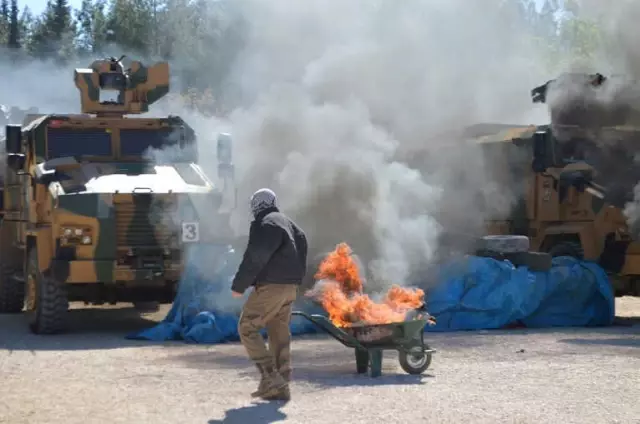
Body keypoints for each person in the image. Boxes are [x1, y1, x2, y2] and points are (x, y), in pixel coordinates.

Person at [231, 188, 308, 401]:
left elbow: (256, 257)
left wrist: (240, 284)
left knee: (247, 327)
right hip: (290, 287)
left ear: (256, 206)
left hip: (272, 287)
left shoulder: (266, 224)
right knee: (278, 332)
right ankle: (281, 386)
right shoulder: (289, 224)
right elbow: (302, 247)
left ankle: (271, 377)